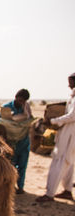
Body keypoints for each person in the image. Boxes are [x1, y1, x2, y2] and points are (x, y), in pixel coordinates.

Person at [36, 73, 75, 202]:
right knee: (69, 162)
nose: (68, 84)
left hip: (69, 134)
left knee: (59, 162)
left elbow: (71, 116)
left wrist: (53, 121)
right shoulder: (72, 96)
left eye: (70, 81)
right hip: (69, 133)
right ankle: (67, 191)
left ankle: (50, 193)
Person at [2, 89, 33, 194]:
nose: (21, 103)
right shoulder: (6, 107)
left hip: (23, 141)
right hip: (11, 142)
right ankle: (10, 187)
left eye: (23, 101)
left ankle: (20, 187)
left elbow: (30, 119)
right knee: (11, 165)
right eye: (20, 100)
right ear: (15, 97)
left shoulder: (26, 107)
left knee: (23, 165)